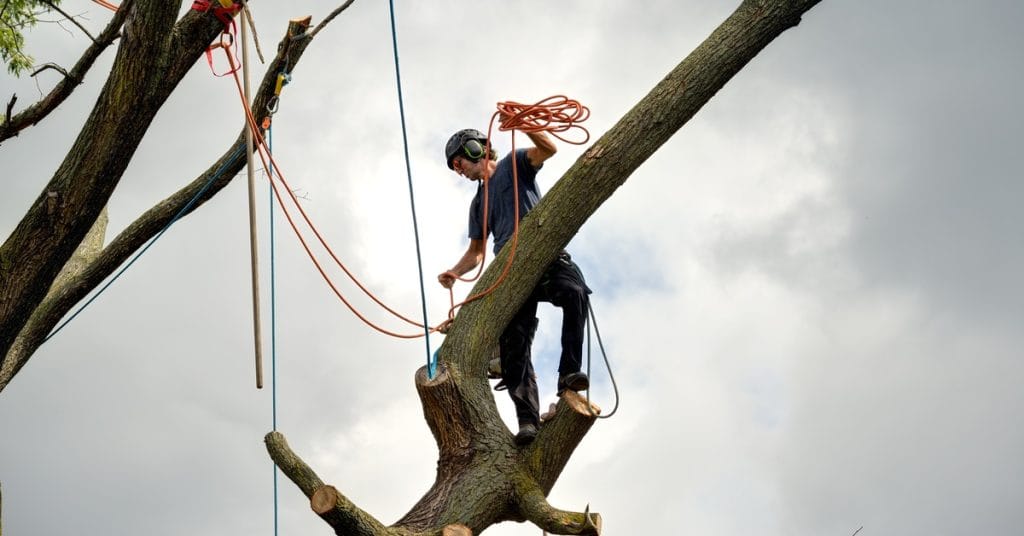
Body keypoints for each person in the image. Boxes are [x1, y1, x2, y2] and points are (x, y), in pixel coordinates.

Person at [438, 126, 591, 446]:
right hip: (509, 271)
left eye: (458, 162)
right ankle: (527, 421)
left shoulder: (514, 163)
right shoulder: (478, 204)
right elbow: (476, 252)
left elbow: (547, 149)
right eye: (454, 167)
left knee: (574, 294)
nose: (459, 170)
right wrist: (454, 271)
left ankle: (568, 377)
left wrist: (524, 125)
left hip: (545, 255)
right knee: (514, 346)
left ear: (475, 149)